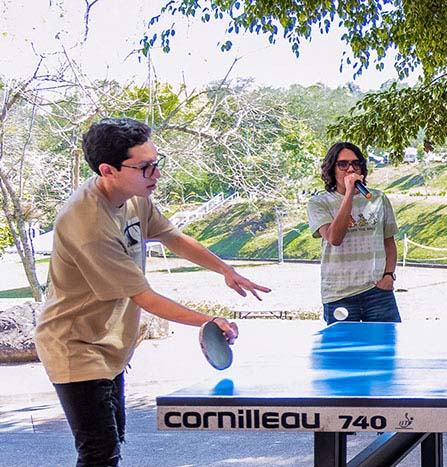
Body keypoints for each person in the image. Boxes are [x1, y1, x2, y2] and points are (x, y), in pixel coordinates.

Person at [34, 117, 271, 466]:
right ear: (108, 170)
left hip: (110, 343)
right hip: (75, 345)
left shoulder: (134, 197)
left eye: (156, 162)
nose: (156, 174)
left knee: (110, 445)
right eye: (145, 167)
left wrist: (225, 269)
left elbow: (172, 237)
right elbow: (144, 296)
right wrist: (208, 321)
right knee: (99, 453)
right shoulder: (87, 224)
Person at [306, 142, 400, 324]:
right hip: (339, 295)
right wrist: (349, 194)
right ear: (332, 169)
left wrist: (389, 276)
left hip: (377, 291)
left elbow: (389, 242)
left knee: (386, 341)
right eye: (343, 164)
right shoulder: (319, 203)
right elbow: (334, 238)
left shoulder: (378, 199)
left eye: (355, 164)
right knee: (344, 343)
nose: (350, 169)